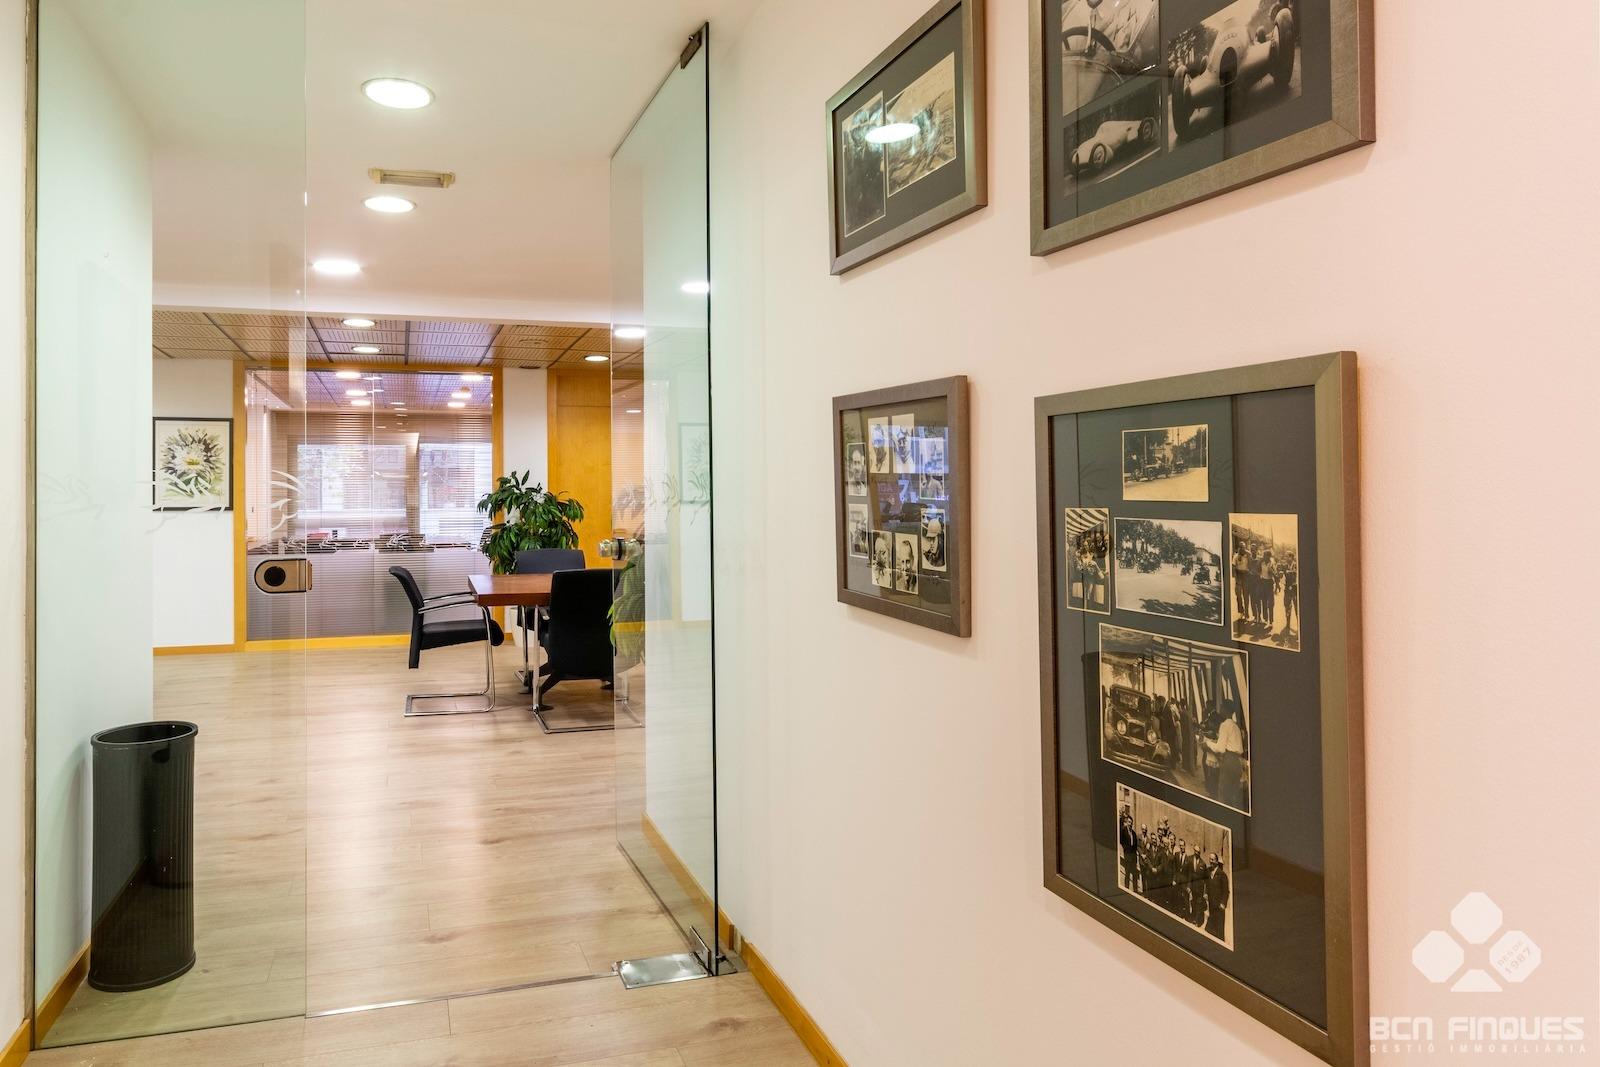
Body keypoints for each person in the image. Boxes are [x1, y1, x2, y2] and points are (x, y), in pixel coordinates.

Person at [1202, 708, 1247, 810]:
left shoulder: (1224, 725)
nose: (1220, 710)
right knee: (1234, 795)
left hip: (1228, 761)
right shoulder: (1236, 726)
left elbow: (1220, 749)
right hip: (1237, 763)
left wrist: (1208, 743)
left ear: (1225, 711)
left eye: (1222, 708)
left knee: (1223, 794)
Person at [1205, 852, 1230, 941]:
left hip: (1219, 906)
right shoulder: (1208, 872)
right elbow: (1207, 884)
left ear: (1216, 861)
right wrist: (1205, 893)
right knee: (1212, 927)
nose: (1211, 861)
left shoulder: (1222, 875)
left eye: (1212, 859)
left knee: (1219, 929)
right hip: (1211, 904)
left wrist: (1223, 903)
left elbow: (1226, 891)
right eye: (1210, 859)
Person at [1118, 808, 1139, 891]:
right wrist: (1125, 848)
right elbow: (1120, 840)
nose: (1130, 824)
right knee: (1127, 874)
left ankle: (1135, 890)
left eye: (1131, 823)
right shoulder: (1123, 830)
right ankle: (1126, 889)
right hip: (1127, 856)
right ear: (1127, 822)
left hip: (1133, 857)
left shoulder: (1133, 833)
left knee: (1134, 875)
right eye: (1129, 822)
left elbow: (1135, 845)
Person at [1282, 562, 1298, 632]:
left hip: (1294, 589)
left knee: (1296, 607)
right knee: (1287, 607)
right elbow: (1282, 578)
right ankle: (1288, 623)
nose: (1287, 558)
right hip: (1288, 589)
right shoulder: (1285, 566)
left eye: (1288, 557)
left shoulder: (1295, 565)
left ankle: (1298, 623)